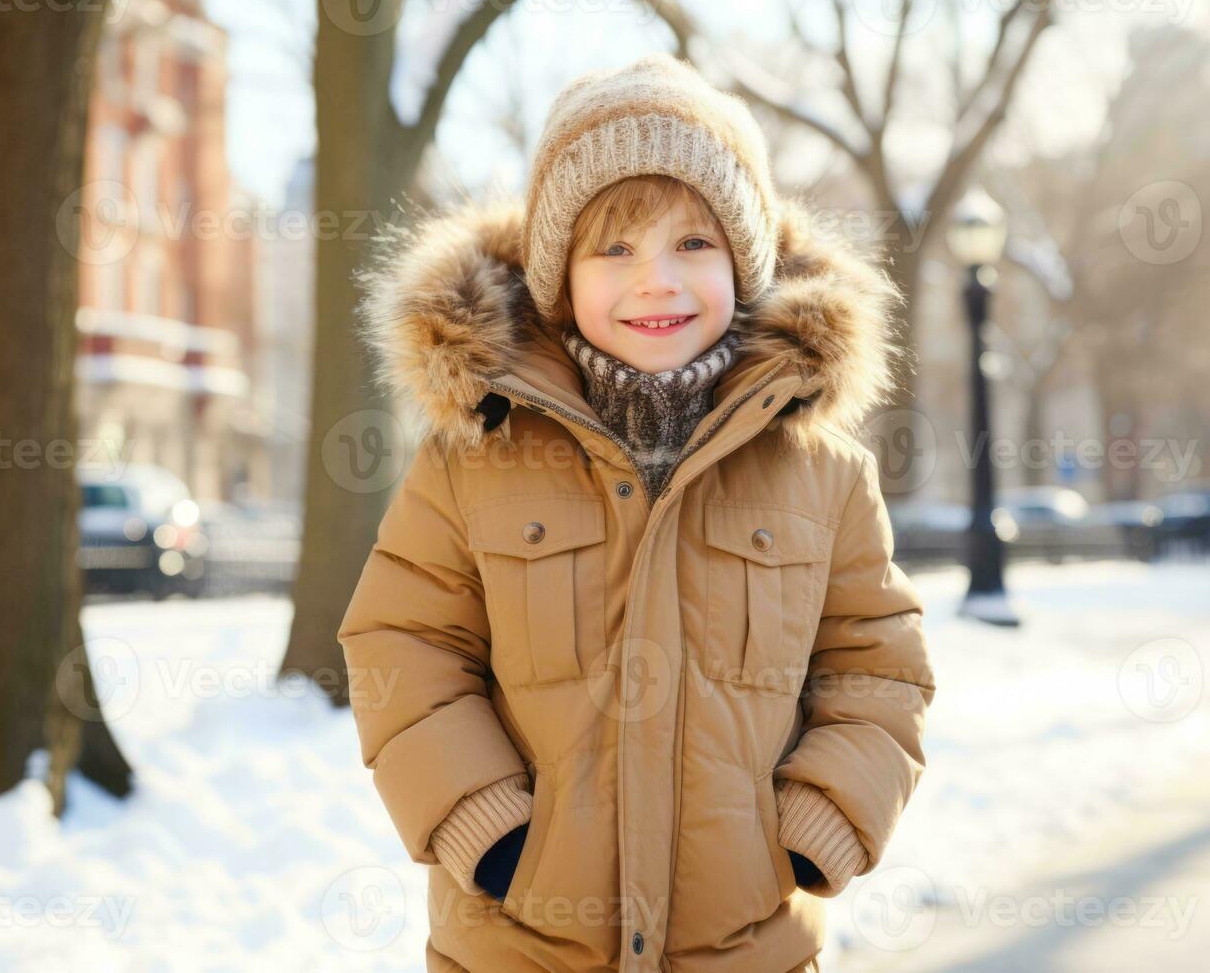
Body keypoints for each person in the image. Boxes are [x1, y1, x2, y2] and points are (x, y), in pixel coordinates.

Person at [337, 51, 936, 973]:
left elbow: (877, 664)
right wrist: (480, 820)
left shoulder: (822, 473)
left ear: (744, 259)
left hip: (745, 945)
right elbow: (402, 646)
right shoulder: (476, 456)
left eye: (692, 245)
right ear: (557, 275)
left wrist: (824, 817)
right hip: (520, 945)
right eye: (613, 248)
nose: (655, 281)